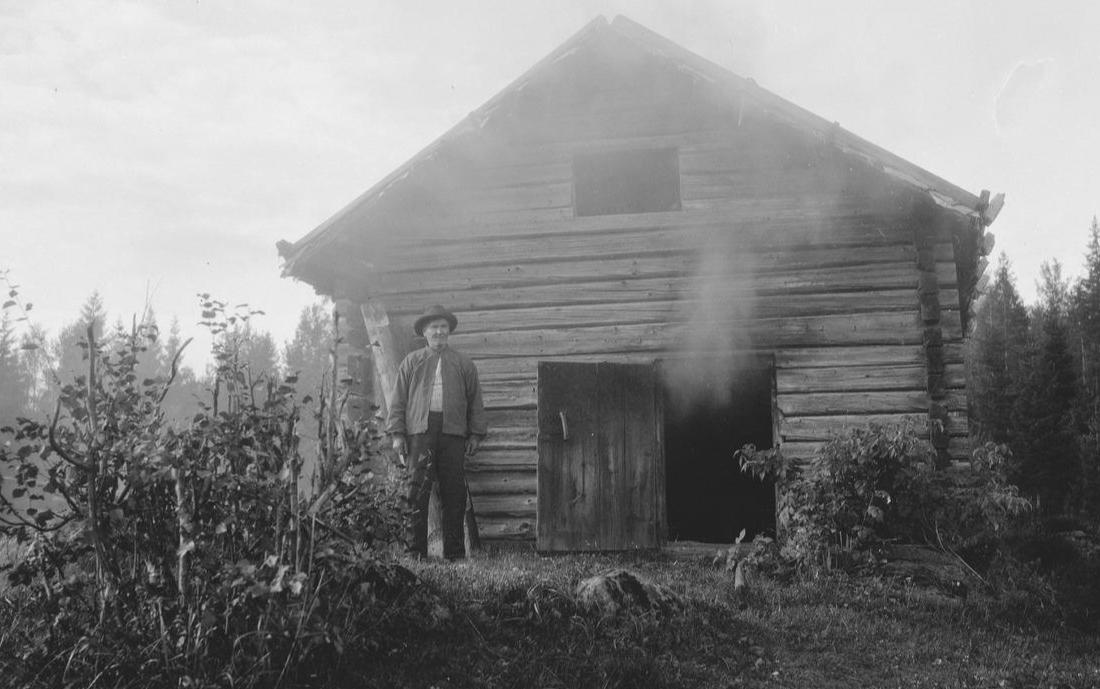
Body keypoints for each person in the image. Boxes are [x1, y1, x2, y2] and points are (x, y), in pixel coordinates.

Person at [386, 305, 487, 561]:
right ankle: (415, 553)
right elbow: (398, 401)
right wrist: (397, 434)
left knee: (454, 492)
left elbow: (475, 402)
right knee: (416, 490)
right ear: (424, 332)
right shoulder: (412, 362)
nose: (439, 331)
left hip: (453, 433)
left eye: (443, 327)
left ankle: (454, 553)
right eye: (434, 327)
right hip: (419, 432)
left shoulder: (464, 364)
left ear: (449, 331)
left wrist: (475, 434)